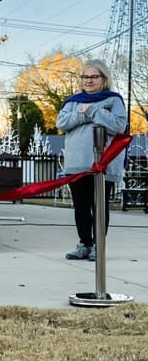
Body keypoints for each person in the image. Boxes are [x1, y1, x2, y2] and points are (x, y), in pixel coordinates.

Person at [56, 59, 127, 262]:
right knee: (80, 206)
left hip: (102, 164)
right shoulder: (72, 101)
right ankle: (84, 244)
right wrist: (88, 115)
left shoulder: (114, 100)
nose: (88, 81)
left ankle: (99, 246)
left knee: (99, 206)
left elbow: (118, 126)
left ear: (104, 79)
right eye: (85, 77)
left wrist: (91, 110)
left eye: (94, 76)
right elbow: (62, 122)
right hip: (77, 164)